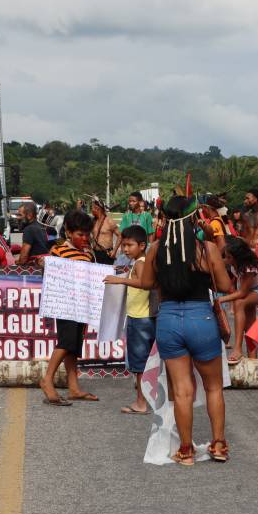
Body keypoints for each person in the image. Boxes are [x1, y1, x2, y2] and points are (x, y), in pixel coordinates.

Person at [106, 195, 234, 465]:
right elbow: (225, 286)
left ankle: (186, 450)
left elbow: (148, 283)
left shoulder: (154, 249)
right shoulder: (206, 249)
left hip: (169, 321)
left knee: (182, 391)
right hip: (201, 319)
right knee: (213, 387)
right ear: (192, 218)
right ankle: (219, 445)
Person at [39, 210, 101, 405]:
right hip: (65, 305)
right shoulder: (59, 249)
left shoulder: (88, 254)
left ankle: (74, 388)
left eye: (86, 235)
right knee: (65, 343)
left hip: (82, 306)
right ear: (68, 231)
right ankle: (47, 379)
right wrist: (45, 264)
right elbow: (50, 271)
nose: (84, 238)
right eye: (79, 235)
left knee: (74, 346)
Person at [118, 225, 154, 415]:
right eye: (124, 245)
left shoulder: (140, 262)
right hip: (143, 317)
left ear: (141, 245)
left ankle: (141, 402)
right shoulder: (141, 261)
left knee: (139, 364)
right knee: (147, 362)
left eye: (129, 245)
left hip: (139, 318)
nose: (125, 249)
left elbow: (143, 284)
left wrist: (121, 280)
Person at [217, 236, 258, 366]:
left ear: (237, 256)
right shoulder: (234, 261)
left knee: (239, 303)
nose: (227, 260)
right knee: (250, 327)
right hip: (243, 290)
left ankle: (237, 348)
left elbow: (243, 292)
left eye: (229, 257)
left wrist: (221, 299)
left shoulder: (249, 266)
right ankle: (253, 360)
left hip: (257, 291)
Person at [89, 198, 119, 264]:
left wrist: (114, 251)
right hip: (94, 253)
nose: (91, 210)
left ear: (97, 208)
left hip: (107, 254)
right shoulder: (93, 221)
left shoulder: (109, 221)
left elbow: (120, 236)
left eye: (92, 208)